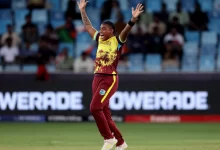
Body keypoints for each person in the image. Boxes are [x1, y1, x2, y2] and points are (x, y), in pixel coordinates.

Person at [77, 0, 144, 150]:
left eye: (105, 29)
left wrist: (132, 20)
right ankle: (120, 142)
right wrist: (82, 10)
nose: (101, 31)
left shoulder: (117, 41)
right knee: (105, 114)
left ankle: (109, 138)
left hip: (109, 78)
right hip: (96, 77)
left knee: (94, 108)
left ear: (112, 31)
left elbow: (126, 30)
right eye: (101, 28)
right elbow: (88, 26)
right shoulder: (99, 39)